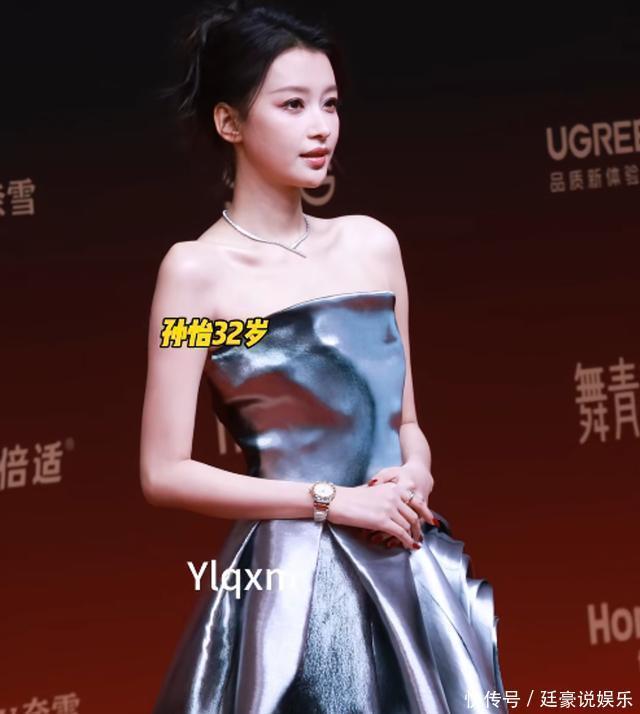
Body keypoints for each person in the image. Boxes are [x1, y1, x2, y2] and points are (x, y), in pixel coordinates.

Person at [140, 1, 508, 712]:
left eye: (330, 103)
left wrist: (416, 472)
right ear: (229, 122)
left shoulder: (373, 245)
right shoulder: (195, 276)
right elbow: (164, 471)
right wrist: (333, 502)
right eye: (293, 104)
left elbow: (405, 421)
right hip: (292, 580)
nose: (321, 126)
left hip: (404, 559)